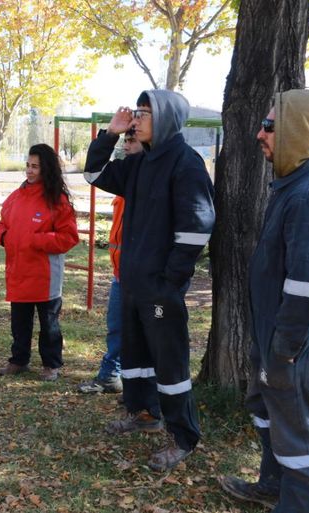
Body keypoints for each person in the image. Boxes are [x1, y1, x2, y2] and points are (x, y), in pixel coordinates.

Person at [84, 90, 215, 471]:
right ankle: (144, 413)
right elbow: (94, 174)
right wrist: (110, 135)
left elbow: (197, 228)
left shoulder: (185, 163)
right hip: (133, 281)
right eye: (136, 112)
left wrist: (169, 280)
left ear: (166, 118)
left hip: (159, 287)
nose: (136, 119)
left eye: (144, 113)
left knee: (169, 363)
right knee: (136, 354)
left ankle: (183, 437)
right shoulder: (140, 161)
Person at [219, 90, 309, 512]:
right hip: (272, 340)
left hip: (293, 349)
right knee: (266, 410)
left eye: (269, 126)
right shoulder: (291, 185)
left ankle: (296, 504)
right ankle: (272, 485)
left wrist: (285, 351)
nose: (259, 134)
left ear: (297, 130)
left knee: (299, 430)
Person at [0, 144, 80, 382]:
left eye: (35, 167)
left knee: (49, 324)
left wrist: (38, 240)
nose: (29, 172)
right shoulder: (16, 196)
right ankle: (18, 360)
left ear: (47, 169)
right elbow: (1, 224)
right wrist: (4, 237)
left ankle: (51, 365)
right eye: (28, 166)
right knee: (19, 323)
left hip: (45, 276)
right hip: (19, 271)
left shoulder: (57, 200)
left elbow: (69, 237)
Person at [78, 130, 142, 394]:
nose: (126, 145)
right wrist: (111, 133)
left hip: (143, 274)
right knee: (116, 327)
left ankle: (145, 388)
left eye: (132, 140)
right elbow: (94, 170)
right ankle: (110, 375)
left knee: (145, 333)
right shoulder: (123, 183)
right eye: (124, 140)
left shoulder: (149, 182)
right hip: (120, 272)